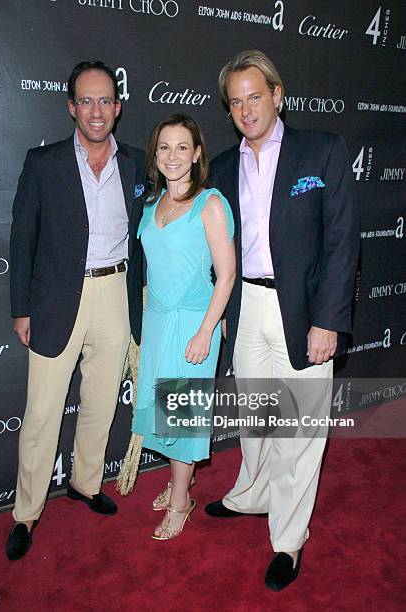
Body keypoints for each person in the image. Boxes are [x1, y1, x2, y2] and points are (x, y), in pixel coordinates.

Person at [205, 50, 359, 590]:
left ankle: (288, 540)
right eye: (236, 101)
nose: (246, 109)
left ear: (277, 95)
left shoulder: (322, 151)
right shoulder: (222, 166)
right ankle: (253, 495)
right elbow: (218, 248)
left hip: (304, 312)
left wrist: (329, 320)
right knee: (258, 419)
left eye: (255, 96)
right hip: (246, 307)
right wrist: (224, 312)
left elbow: (342, 243)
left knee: (300, 432)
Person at [6, 61, 145, 560]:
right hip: (55, 300)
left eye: (105, 100)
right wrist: (22, 308)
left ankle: (86, 484)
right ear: (70, 107)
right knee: (42, 413)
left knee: (102, 401)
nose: (96, 110)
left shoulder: (134, 163)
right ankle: (25, 512)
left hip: (115, 292)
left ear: (118, 107)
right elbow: (22, 240)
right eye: (85, 101)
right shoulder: (43, 164)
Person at [132, 114, 235, 540]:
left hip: (194, 325)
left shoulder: (210, 203)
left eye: (181, 147)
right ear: (155, 156)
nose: (172, 156)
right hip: (157, 324)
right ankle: (182, 480)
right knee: (166, 414)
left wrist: (206, 331)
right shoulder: (152, 204)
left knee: (181, 418)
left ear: (196, 155)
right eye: (164, 147)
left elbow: (226, 274)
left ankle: (180, 502)